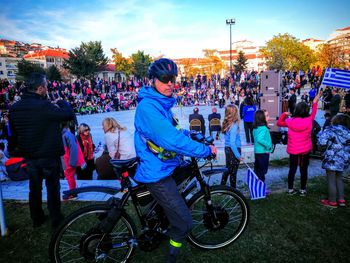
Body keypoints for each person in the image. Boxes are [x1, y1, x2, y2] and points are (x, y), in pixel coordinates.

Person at [134, 58, 216, 263]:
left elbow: (175, 131)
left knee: (182, 179)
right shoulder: (149, 107)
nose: (171, 83)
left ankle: (159, 216)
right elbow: (171, 140)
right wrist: (204, 150)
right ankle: (171, 257)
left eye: (173, 78)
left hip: (166, 165)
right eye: (165, 78)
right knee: (184, 223)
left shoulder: (161, 103)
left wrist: (193, 134)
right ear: (153, 80)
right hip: (157, 172)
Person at [8, 73, 75, 228]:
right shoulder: (44, 106)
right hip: (48, 154)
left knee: (34, 187)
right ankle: (56, 218)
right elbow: (68, 114)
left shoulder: (15, 108)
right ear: (39, 88)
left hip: (29, 154)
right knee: (52, 187)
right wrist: (62, 101)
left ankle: (37, 218)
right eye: (45, 86)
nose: (47, 89)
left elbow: (13, 133)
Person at [277, 93, 321, 196]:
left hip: (293, 150)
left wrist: (284, 114)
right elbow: (314, 111)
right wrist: (315, 101)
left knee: (292, 169)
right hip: (305, 151)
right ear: (306, 111)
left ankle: (290, 189)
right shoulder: (309, 120)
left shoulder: (290, 121)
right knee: (303, 170)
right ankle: (302, 190)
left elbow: (279, 123)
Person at [318, 114, 350, 207]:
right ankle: (341, 199)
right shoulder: (348, 132)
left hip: (331, 159)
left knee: (331, 179)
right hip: (344, 159)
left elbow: (321, 141)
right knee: (339, 178)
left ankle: (332, 201)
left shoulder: (330, 129)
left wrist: (323, 149)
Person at [61, 121, 85, 200]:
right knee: (69, 176)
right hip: (67, 159)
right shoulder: (66, 134)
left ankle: (73, 193)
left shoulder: (66, 135)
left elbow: (74, 149)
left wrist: (72, 162)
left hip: (69, 160)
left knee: (70, 176)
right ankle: (73, 190)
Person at [220, 104, 242, 188]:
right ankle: (233, 190)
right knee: (233, 172)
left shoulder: (228, 124)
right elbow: (232, 143)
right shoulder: (234, 126)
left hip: (228, 149)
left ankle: (222, 186)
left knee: (228, 169)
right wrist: (238, 155)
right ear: (235, 114)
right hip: (234, 150)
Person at [252, 110, 273, 183]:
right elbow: (259, 139)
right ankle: (261, 190)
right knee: (262, 172)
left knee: (258, 171)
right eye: (267, 116)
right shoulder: (264, 128)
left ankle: (257, 187)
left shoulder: (255, 128)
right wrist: (269, 145)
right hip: (263, 152)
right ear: (261, 118)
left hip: (257, 152)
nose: (269, 117)